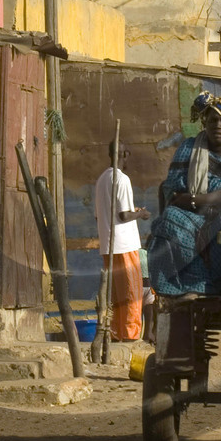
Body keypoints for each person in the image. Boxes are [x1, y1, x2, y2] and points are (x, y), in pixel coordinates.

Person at [147, 94, 221, 299]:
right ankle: (180, 285)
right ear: (205, 123)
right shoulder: (190, 147)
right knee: (170, 219)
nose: (217, 125)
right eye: (212, 120)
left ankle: (205, 284)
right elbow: (174, 190)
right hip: (189, 213)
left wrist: (196, 199)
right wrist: (193, 202)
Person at [95, 141, 150, 341]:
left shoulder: (102, 179)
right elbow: (124, 216)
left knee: (116, 296)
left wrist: (131, 213)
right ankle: (130, 335)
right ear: (124, 154)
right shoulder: (122, 179)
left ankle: (116, 333)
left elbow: (101, 216)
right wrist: (141, 213)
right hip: (125, 245)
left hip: (108, 245)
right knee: (131, 295)